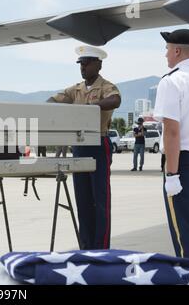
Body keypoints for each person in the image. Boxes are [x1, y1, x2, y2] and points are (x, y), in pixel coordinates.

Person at [48, 46, 121, 250]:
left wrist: (91, 107)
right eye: (81, 63)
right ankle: (86, 246)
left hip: (98, 143)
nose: (83, 67)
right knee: (83, 200)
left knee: (100, 200)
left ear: (98, 64)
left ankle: (101, 247)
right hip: (79, 146)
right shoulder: (76, 89)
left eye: (87, 63)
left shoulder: (106, 86)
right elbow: (53, 100)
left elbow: (115, 100)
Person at [154, 29, 189, 269]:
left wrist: (173, 175)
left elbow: (172, 132)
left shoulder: (172, 81)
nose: (166, 54)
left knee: (186, 235)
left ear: (177, 51)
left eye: (167, 49)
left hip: (184, 164)